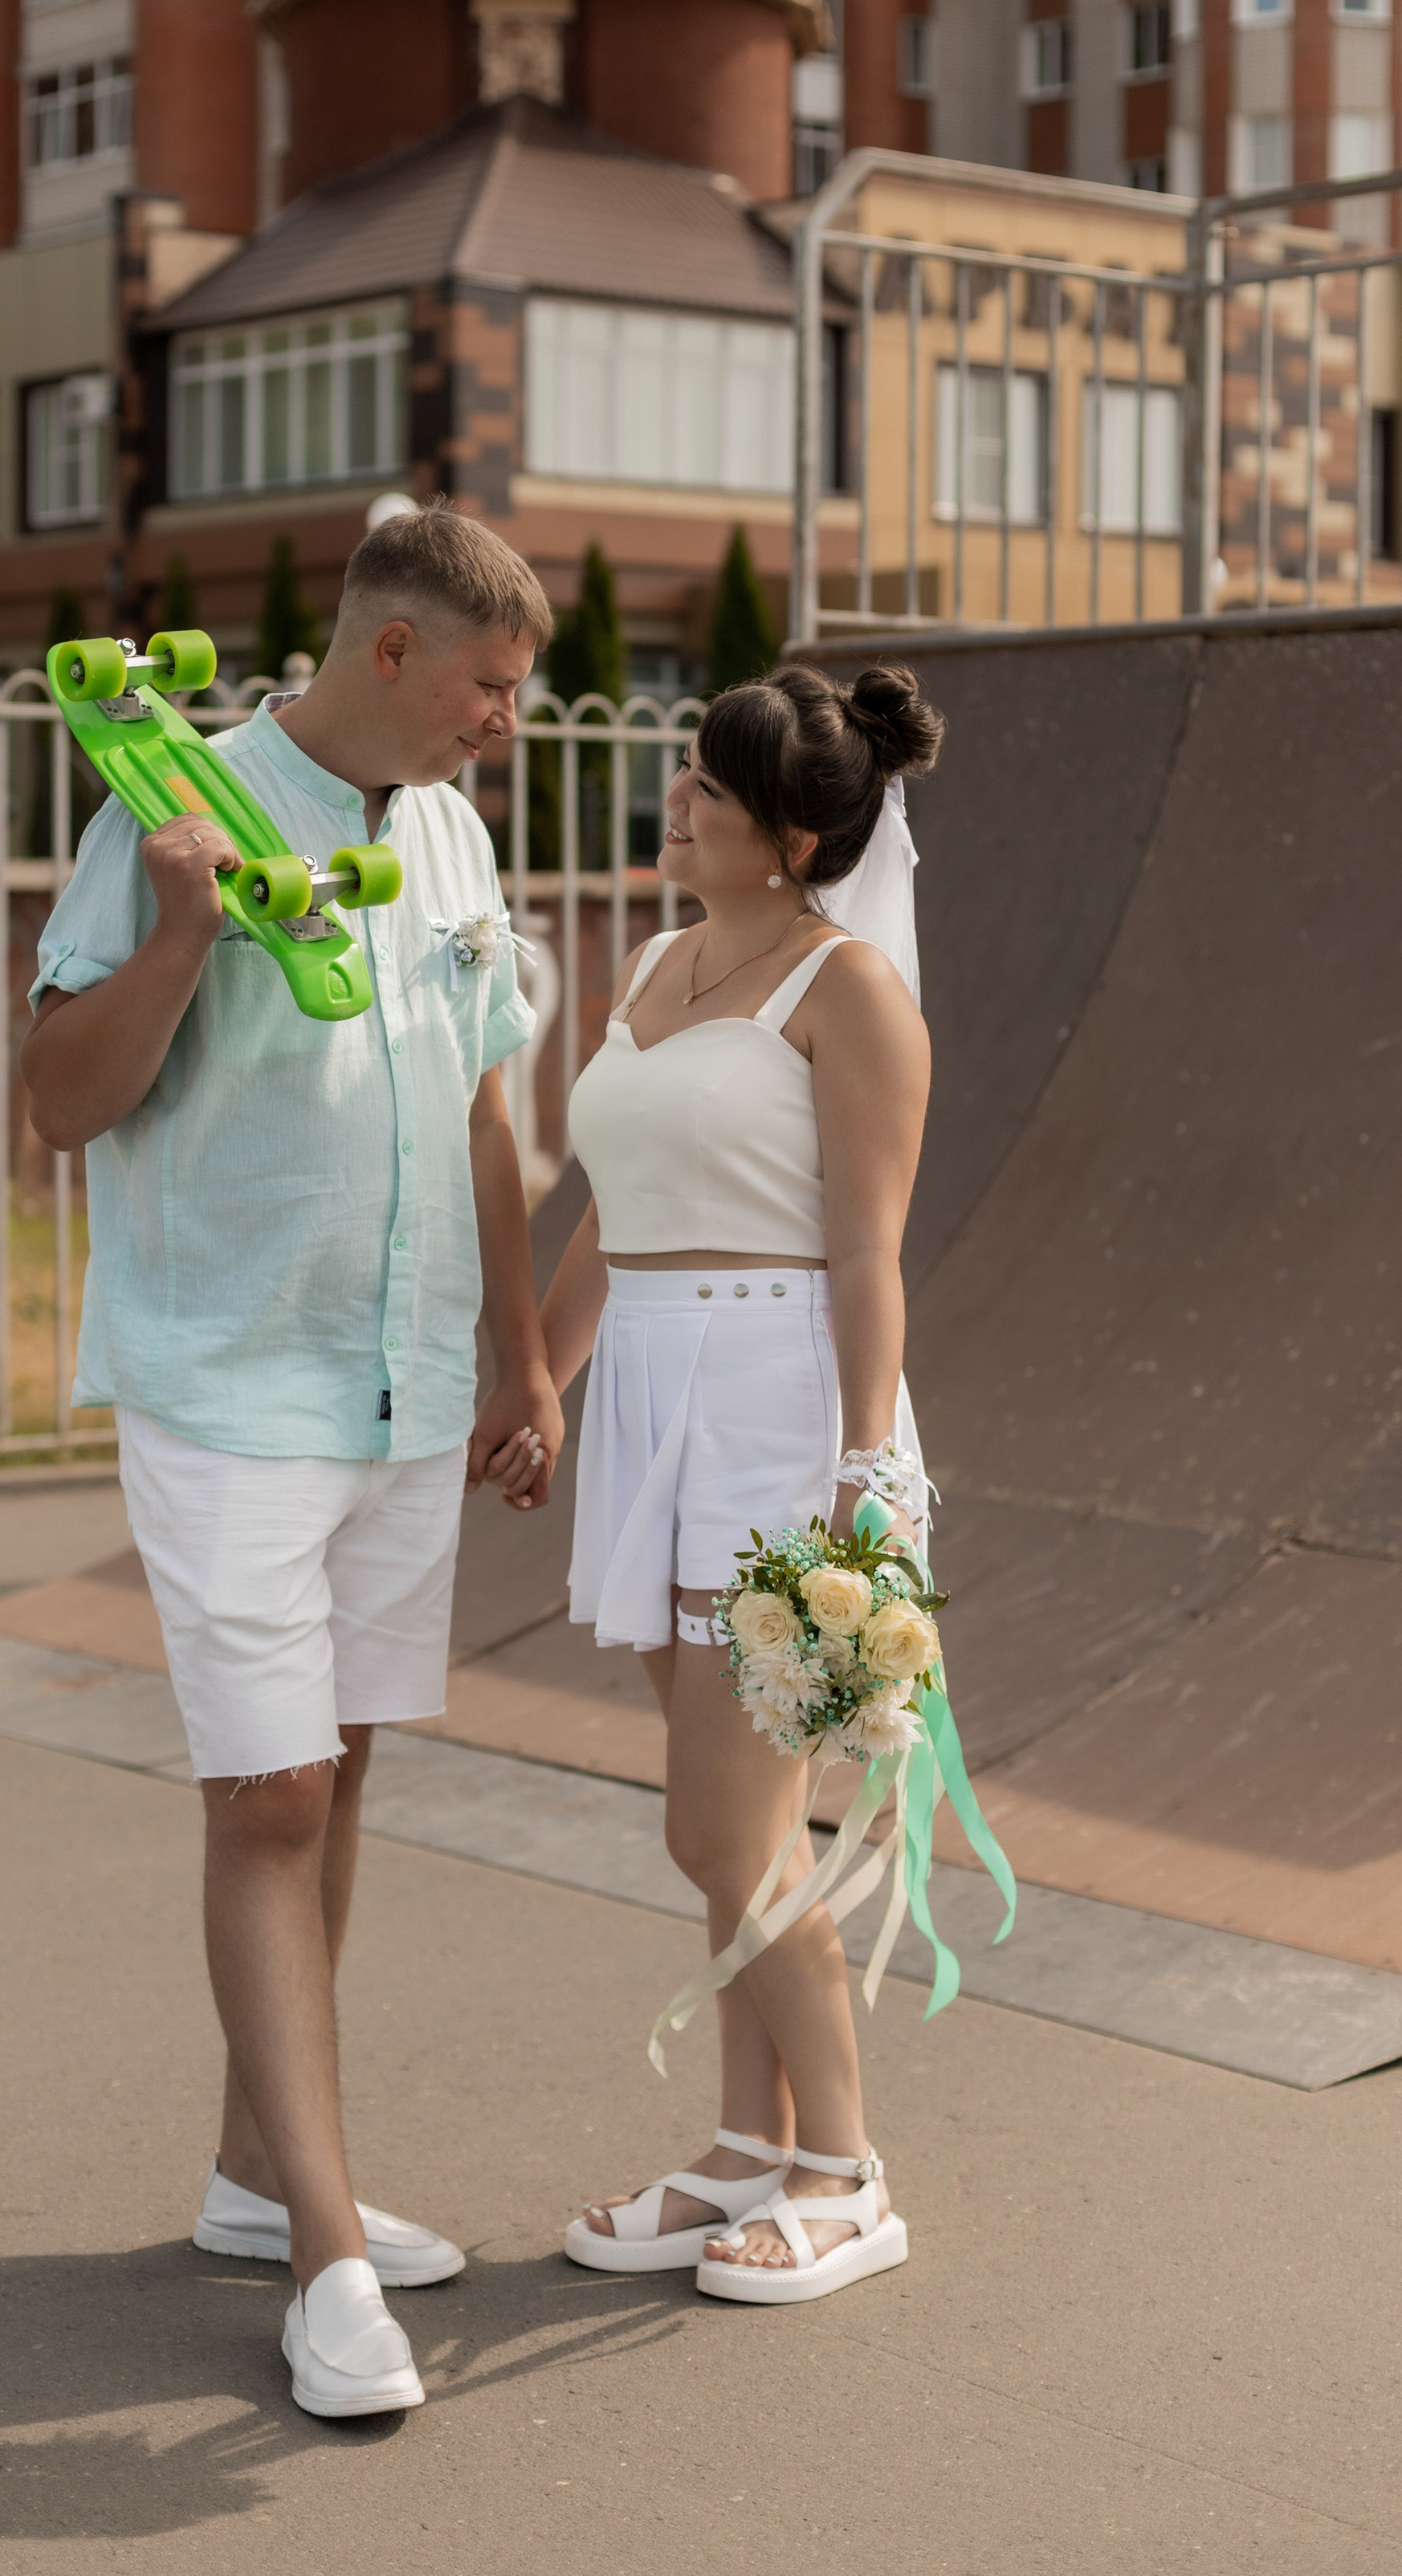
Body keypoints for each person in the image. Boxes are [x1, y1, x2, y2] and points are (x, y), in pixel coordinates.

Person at [21, 507, 564, 2419]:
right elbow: (59, 1100)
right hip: (226, 1381)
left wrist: (514, 1358)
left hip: (406, 1390)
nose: (509, 720)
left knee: (331, 1782)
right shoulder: (165, 809)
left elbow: (486, 1097)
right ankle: (330, 2262)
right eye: (492, 687)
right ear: (392, 653)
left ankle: (259, 2176)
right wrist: (181, 928)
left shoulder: (450, 829)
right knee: (260, 1800)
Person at [495, 661, 941, 2307]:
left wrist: (860, 1469)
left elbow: (871, 1253)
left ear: (798, 829)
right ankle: (746, 2149)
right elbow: (611, 1205)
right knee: (723, 1829)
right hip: (648, 1396)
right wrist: (537, 1373)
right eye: (681, 771)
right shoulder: (665, 962)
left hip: (775, 1412)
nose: (673, 798)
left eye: (707, 783)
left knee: (723, 1828)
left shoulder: (850, 990)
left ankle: (843, 2168)